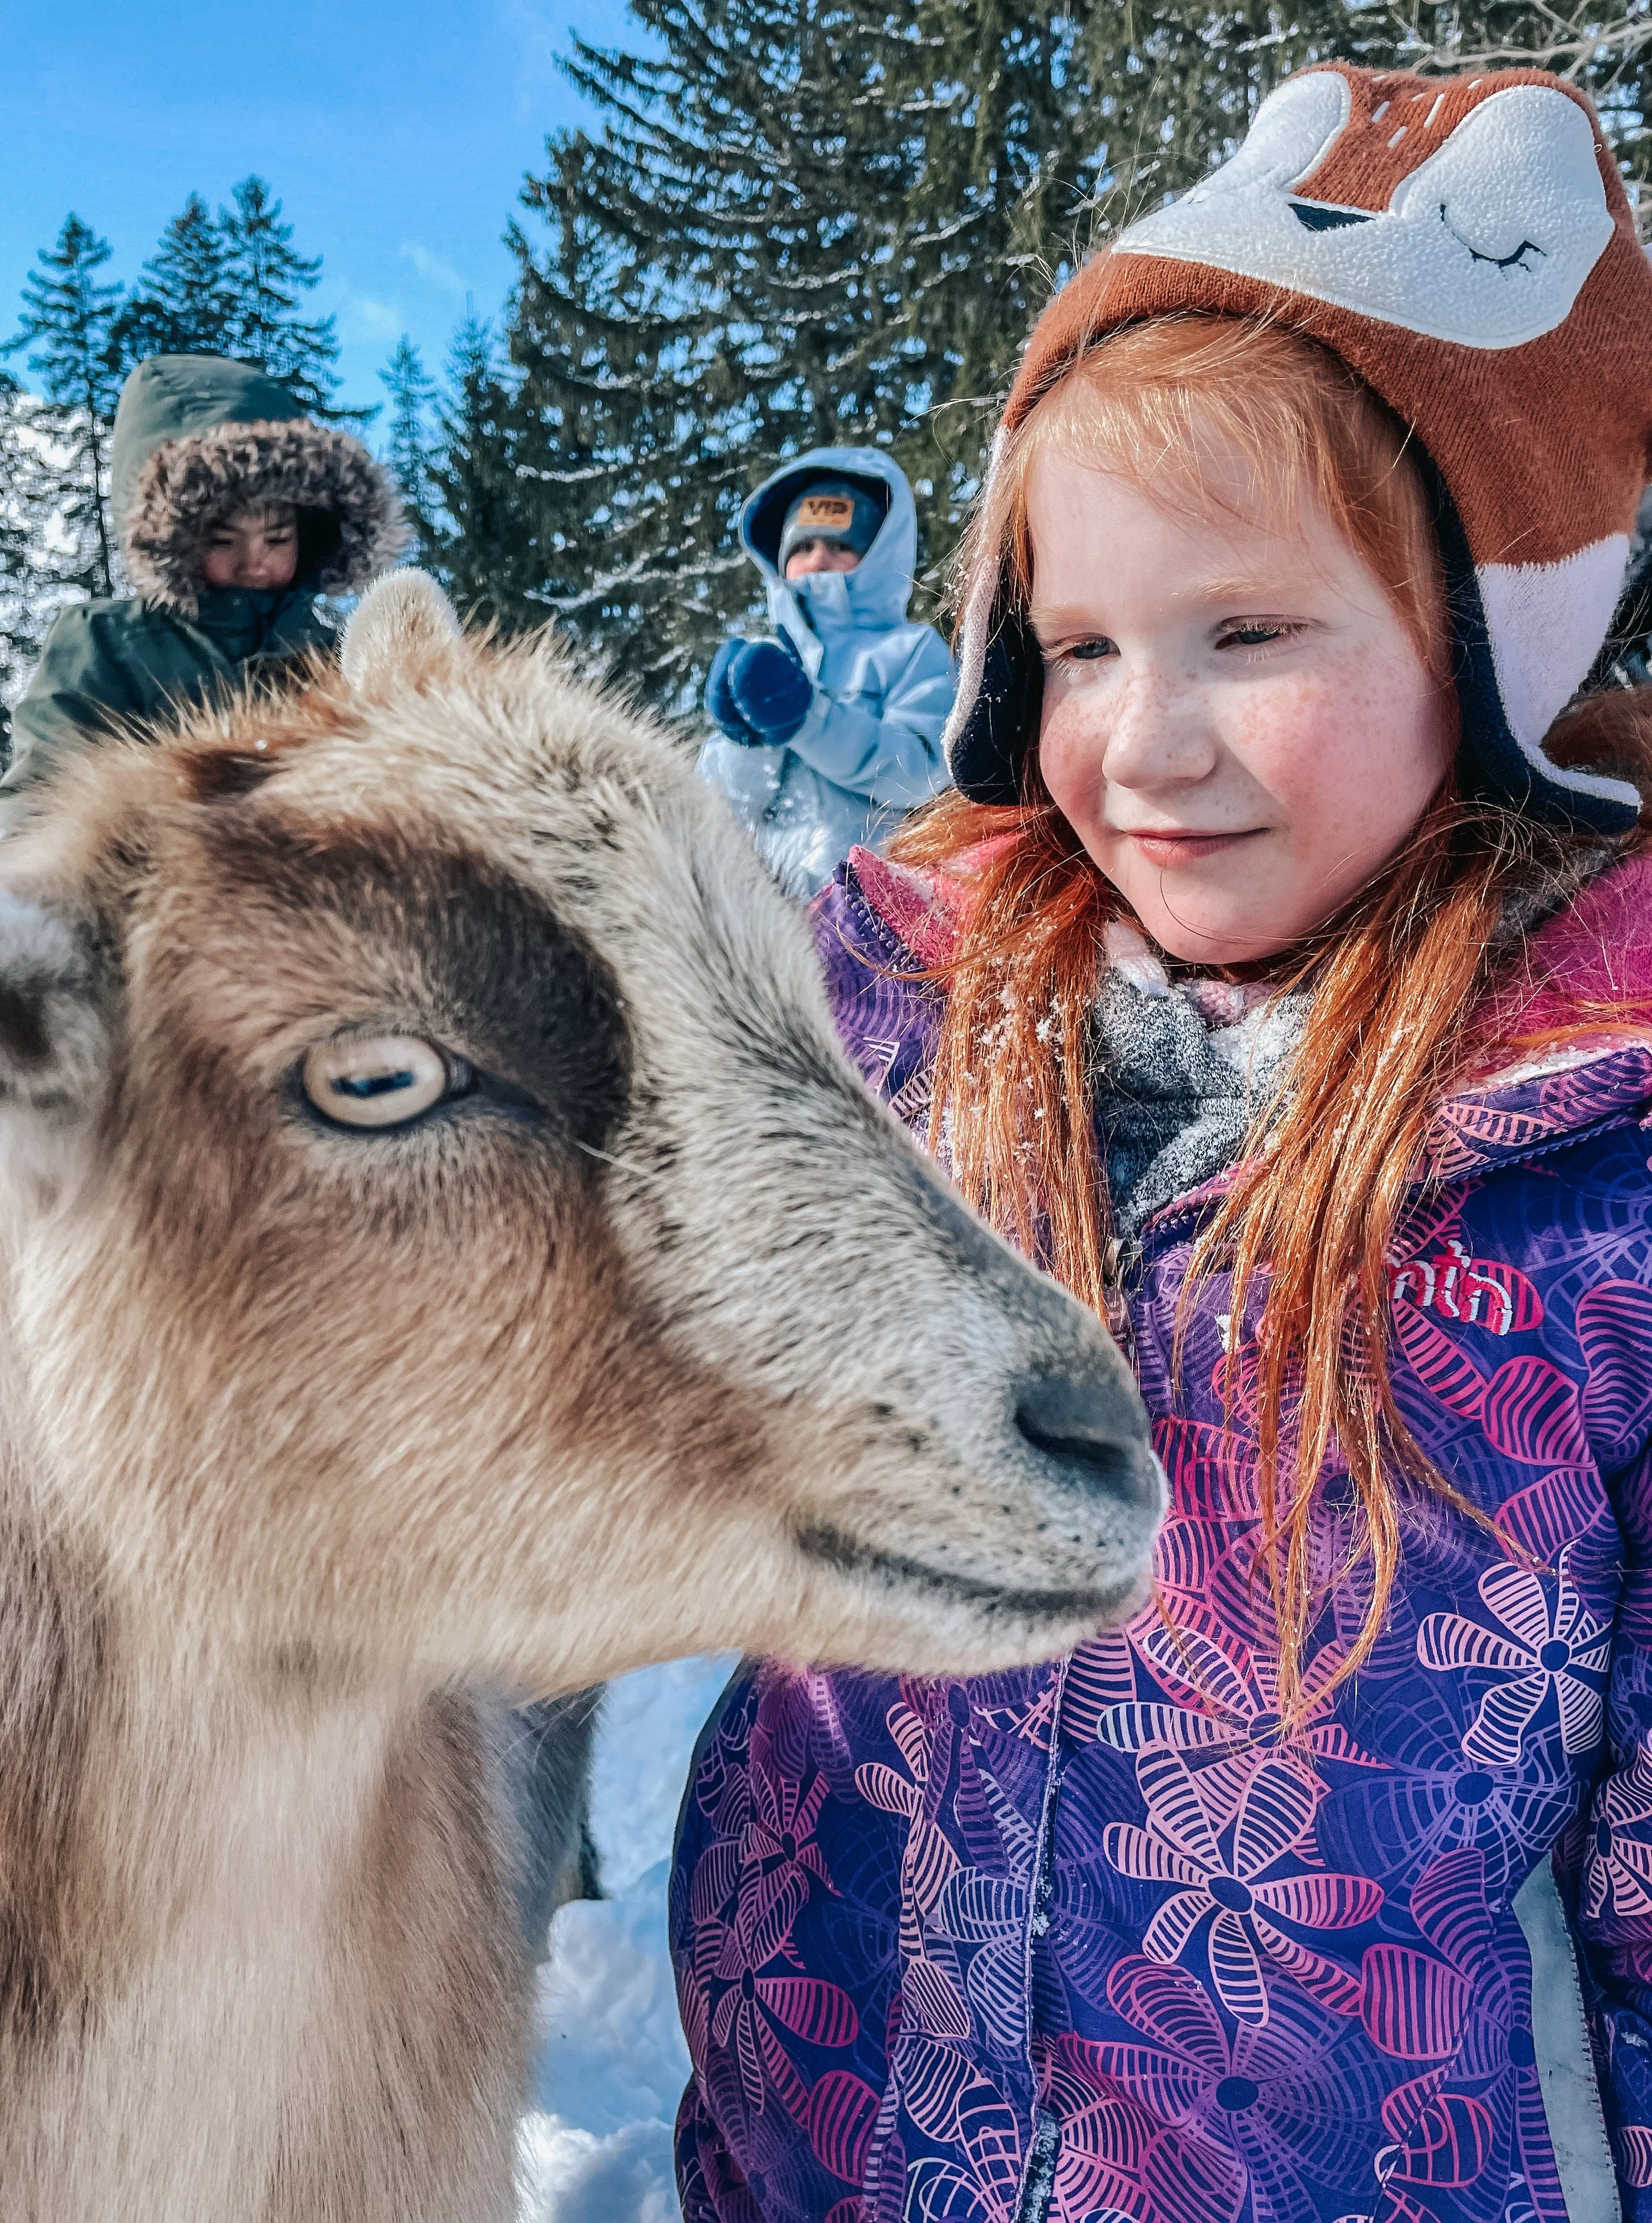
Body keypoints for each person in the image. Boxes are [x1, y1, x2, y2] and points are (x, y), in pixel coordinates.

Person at [670, 63, 1652, 2223]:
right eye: (1087, 645)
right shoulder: (892, 1014)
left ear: (1493, 636)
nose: (1145, 738)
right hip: (827, 2141)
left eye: (1252, 632)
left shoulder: (1605, 1164)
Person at [0, 353, 407, 828]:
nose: (254, 561)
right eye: (223, 540)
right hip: (145, 886)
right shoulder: (106, 643)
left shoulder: (332, 656)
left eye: (277, 539)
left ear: (310, 533)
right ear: (174, 539)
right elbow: (43, 799)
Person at [698, 446, 954, 896]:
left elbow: (921, 774)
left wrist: (806, 719)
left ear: (880, 556)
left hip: (877, 920)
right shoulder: (771, 657)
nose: (818, 560)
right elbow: (727, 810)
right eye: (803, 547)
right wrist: (743, 740)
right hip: (769, 915)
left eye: (840, 546)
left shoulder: (910, 651)